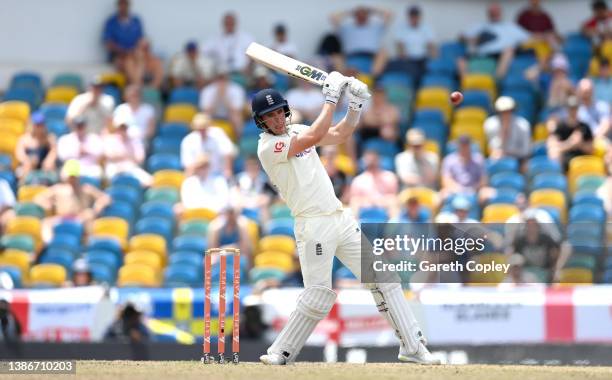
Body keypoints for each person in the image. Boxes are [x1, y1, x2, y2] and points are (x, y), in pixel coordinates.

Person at [252, 72, 439, 364]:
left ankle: (413, 347)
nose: (276, 119)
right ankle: (279, 353)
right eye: (269, 116)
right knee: (318, 295)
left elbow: (339, 134)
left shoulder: (298, 129)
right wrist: (330, 97)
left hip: (339, 217)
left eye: (279, 112)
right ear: (260, 121)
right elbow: (314, 136)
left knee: (385, 278)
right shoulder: (267, 147)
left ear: (286, 111)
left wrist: (354, 105)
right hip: (312, 223)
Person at [34, 160, 111, 243]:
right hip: (62, 218)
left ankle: (87, 246)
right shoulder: (58, 189)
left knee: (89, 216)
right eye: (70, 176)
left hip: (81, 217)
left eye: (74, 176)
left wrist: (98, 206)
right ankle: (51, 245)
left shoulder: (86, 189)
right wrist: (47, 204)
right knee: (46, 223)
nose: (72, 179)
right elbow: (38, 198)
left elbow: (106, 198)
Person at [460, 2, 529, 78]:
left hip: (500, 54)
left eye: (496, 11)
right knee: (460, 60)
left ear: (500, 12)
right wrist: (474, 39)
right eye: (492, 12)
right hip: (480, 52)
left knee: (509, 51)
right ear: (488, 13)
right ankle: (467, 83)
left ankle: (497, 81)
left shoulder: (510, 26)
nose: (494, 13)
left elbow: (528, 37)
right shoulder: (480, 26)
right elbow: (461, 37)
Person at [330, 6, 393, 76]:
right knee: (336, 57)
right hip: (351, 57)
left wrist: (372, 10)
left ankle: (373, 78)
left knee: (383, 53)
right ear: (355, 15)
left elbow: (389, 14)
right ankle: (344, 78)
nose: (361, 16)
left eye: (364, 14)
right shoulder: (346, 28)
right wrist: (351, 12)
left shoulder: (375, 27)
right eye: (359, 14)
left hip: (372, 58)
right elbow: (333, 17)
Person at [180, 113, 236, 178]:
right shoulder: (188, 141)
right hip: (197, 176)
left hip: (217, 175)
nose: (202, 131)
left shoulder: (217, 134)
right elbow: (188, 167)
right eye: (199, 128)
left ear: (209, 126)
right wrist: (201, 163)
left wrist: (227, 170)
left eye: (204, 128)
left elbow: (229, 152)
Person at [547, 96, 594, 171]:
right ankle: (558, 179)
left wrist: (580, 144)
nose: (573, 111)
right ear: (567, 109)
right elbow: (551, 145)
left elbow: (591, 149)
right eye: (571, 108)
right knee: (554, 153)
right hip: (565, 158)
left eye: (575, 108)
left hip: (582, 159)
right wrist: (570, 143)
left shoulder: (584, 126)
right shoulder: (561, 126)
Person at [393, 5, 436, 85]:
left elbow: (431, 45)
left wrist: (434, 58)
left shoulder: (426, 28)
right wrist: (403, 56)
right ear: (409, 17)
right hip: (408, 59)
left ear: (419, 17)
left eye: (416, 16)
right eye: (412, 16)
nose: (414, 18)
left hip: (423, 58)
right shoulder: (402, 28)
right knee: (412, 70)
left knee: (428, 69)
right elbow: (400, 45)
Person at [199, 65, 246, 137]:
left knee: (236, 116)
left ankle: (238, 139)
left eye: (223, 78)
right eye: (219, 78)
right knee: (204, 116)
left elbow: (236, 110)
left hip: (229, 118)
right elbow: (206, 111)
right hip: (214, 117)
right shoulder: (208, 90)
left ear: (227, 78)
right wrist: (217, 96)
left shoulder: (236, 89)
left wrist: (224, 97)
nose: (221, 81)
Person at [102, 117, 152, 186]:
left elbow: (140, 158)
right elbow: (109, 155)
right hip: (114, 167)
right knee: (109, 180)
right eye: (120, 128)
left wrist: (121, 156)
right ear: (116, 128)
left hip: (130, 167)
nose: (122, 131)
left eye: (124, 128)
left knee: (149, 181)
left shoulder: (135, 140)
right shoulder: (110, 139)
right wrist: (128, 156)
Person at [349, 149, 399, 216]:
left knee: (392, 200)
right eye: (369, 160)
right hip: (365, 205)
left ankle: (393, 225)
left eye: (374, 160)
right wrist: (369, 201)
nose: (371, 162)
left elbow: (393, 195)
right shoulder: (358, 180)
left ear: (379, 160)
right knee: (355, 201)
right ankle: (355, 226)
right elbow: (355, 198)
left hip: (383, 204)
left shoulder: (389, 176)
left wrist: (378, 201)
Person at [14, 112, 58, 184]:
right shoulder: (24, 139)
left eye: (41, 124)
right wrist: (28, 161)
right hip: (28, 168)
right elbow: (19, 154)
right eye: (37, 125)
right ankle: (24, 189)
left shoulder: (49, 139)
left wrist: (49, 160)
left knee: (52, 168)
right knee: (23, 170)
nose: (39, 127)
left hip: (44, 169)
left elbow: (53, 152)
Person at [102, 0, 144, 70]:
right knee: (129, 63)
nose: (124, 7)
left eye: (125, 4)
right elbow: (108, 44)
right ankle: (135, 80)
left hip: (135, 54)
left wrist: (136, 50)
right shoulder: (111, 22)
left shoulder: (136, 21)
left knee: (155, 62)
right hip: (119, 55)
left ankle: (154, 81)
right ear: (118, 6)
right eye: (121, 4)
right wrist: (124, 51)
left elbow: (141, 40)